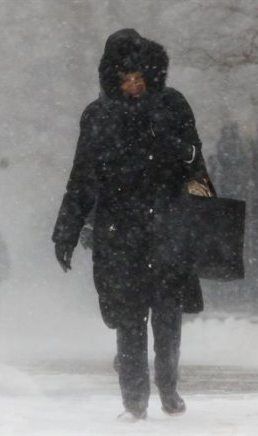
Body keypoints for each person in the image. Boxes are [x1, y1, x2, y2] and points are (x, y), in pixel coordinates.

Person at [52, 29, 213, 421]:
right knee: (129, 318)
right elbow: (83, 178)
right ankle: (134, 402)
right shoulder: (97, 116)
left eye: (140, 77)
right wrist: (67, 230)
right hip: (119, 232)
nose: (134, 85)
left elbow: (196, 162)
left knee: (168, 315)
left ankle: (169, 386)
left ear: (153, 74)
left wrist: (205, 214)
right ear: (112, 77)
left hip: (169, 227)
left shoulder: (173, 105)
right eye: (126, 78)